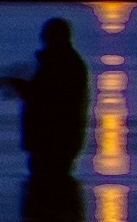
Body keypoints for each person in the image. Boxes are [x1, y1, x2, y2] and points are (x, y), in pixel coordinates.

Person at [13, 14, 92, 177]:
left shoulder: (61, 64)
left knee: (50, 182)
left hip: (53, 142)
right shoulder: (64, 62)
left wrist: (20, 86)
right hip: (57, 142)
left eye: (47, 34)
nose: (43, 38)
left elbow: (47, 99)